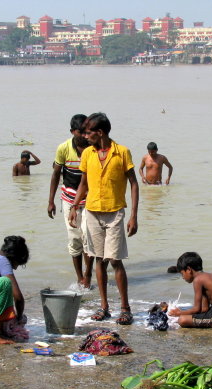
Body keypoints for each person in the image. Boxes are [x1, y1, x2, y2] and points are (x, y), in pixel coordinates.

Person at [69, 112, 139, 325]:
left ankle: (125, 308)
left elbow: (134, 184)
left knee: (115, 260)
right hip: (92, 211)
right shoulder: (88, 154)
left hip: (115, 212)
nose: (85, 136)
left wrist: (134, 216)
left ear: (100, 133)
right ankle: (104, 306)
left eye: (88, 132)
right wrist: (74, 206)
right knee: (99, 259)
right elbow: (84, 183)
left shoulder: (122, 152)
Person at [48, 114, 94, 288]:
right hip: (69, 198)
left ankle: (89, 274)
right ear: (72, 131)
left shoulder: (93, 147)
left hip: (91, 199)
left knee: (88, 238)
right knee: (74, 239)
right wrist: (50, 201)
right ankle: (80, 276)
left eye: (86, 131)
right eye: (81, 131)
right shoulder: (64, 148)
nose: (84, 135)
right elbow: (55, 175)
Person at [168, 252, 212, 328]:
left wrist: (180, 313)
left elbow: (197, 309)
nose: (183, 277)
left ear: (188, 270)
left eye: (182, 274)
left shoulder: (198, 280)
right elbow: (204, 309)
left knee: (182, 320)